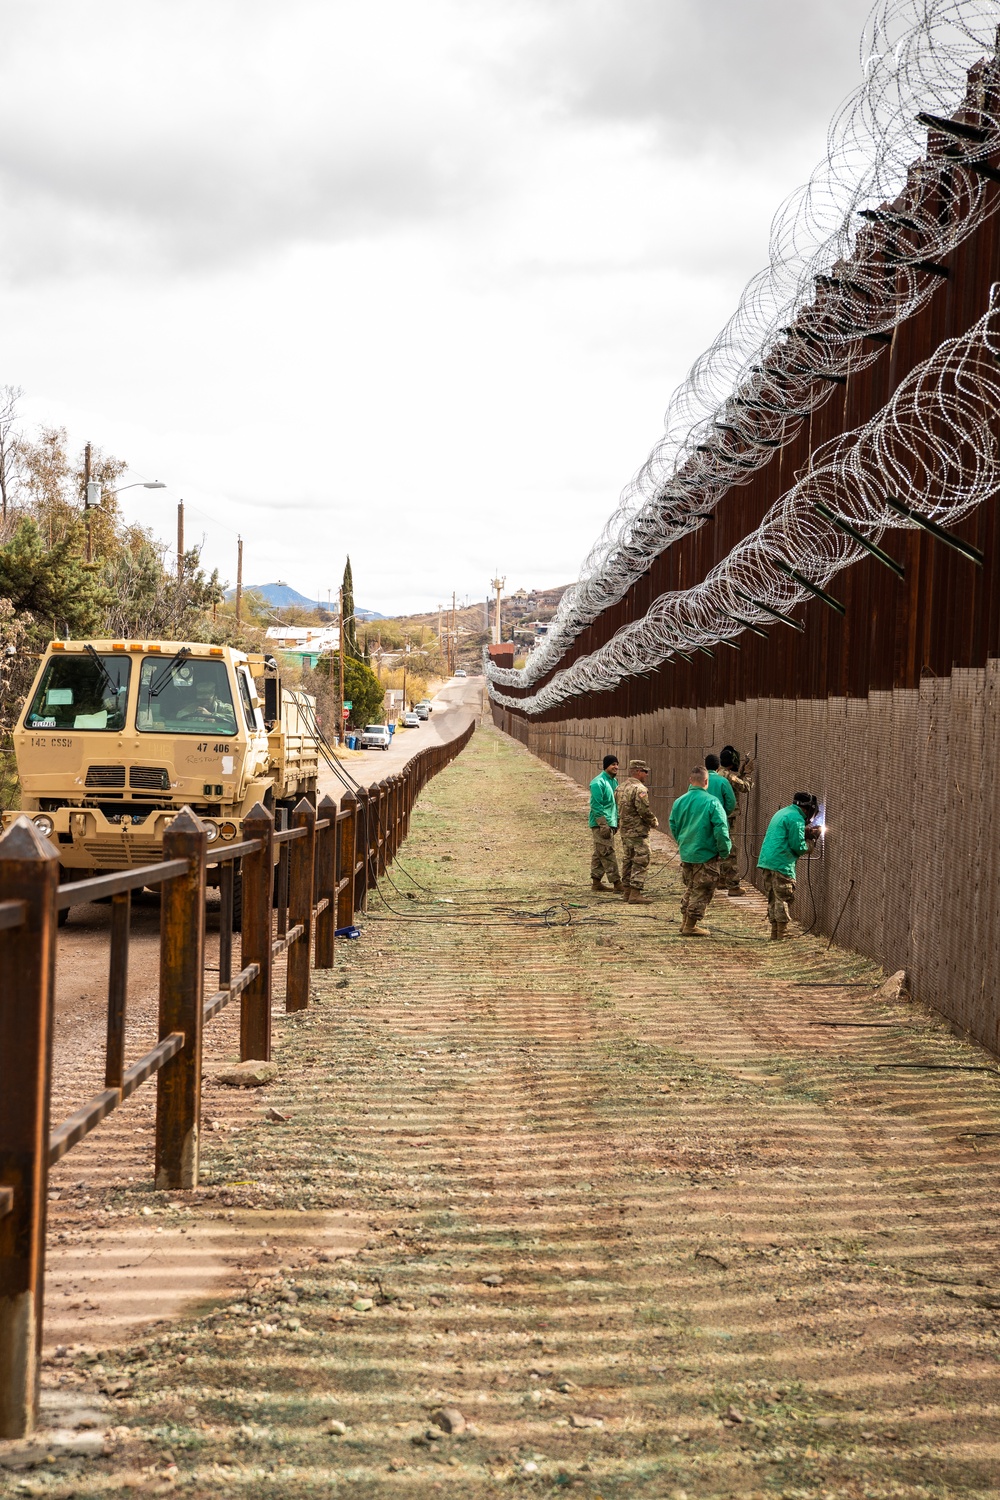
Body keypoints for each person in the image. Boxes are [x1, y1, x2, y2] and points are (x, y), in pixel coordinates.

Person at [668, 765, 732, 936]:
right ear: (706, 781)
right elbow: (721, 830)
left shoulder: (679, 801)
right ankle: (690, 925)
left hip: (687, 852)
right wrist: (724, 851)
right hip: (707, 854)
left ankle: (684, 922)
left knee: (691, 887)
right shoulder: (712, 802)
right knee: (702, 890)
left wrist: (683, 842)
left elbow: (673, 824)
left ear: (690, 780)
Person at [757, 791, 820, 940]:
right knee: (783, 897)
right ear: (808, 808)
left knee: (773, 897)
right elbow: (797, 846)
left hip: (767, 861)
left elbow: (786, 833)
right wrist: (810, 844)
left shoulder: (783, 812)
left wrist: (806, 832)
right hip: (781, 863)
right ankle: (782, 933)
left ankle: (775, 932)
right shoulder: (796, 818)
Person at [615, 758, 658, 904]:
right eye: (645, 772)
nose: (646, 775)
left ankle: (627, 891)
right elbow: (643, 810)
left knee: (628, 859)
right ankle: (635, 892)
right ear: (638, 771)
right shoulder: (639, 789)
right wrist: (653, 821)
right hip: (638, 831)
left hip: (625, 831)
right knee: (641, 859)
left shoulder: (620, 787)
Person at [718, 745, 754, 896]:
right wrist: (748, 773)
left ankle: (721, 880)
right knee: (730, 851)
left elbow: (733, 783)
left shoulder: (718, 773)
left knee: (721, 849)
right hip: (727, 818)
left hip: (719, 817)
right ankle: (733, 886)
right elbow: (745, 787)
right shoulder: (728, 776)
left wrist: (741, 773)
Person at [588, 754, 623, 893]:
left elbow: (616, 803)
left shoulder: (614, 782)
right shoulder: (598, 783)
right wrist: (603, 824)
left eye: (617, 764)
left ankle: (596, 883)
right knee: (607, 852)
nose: (616, 767)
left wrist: (617, 820)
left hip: (611, 823)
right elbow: (596, 806)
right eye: (612, 764)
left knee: (600, 852)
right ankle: (617, 883)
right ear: (606, 766)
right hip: (601, 824)